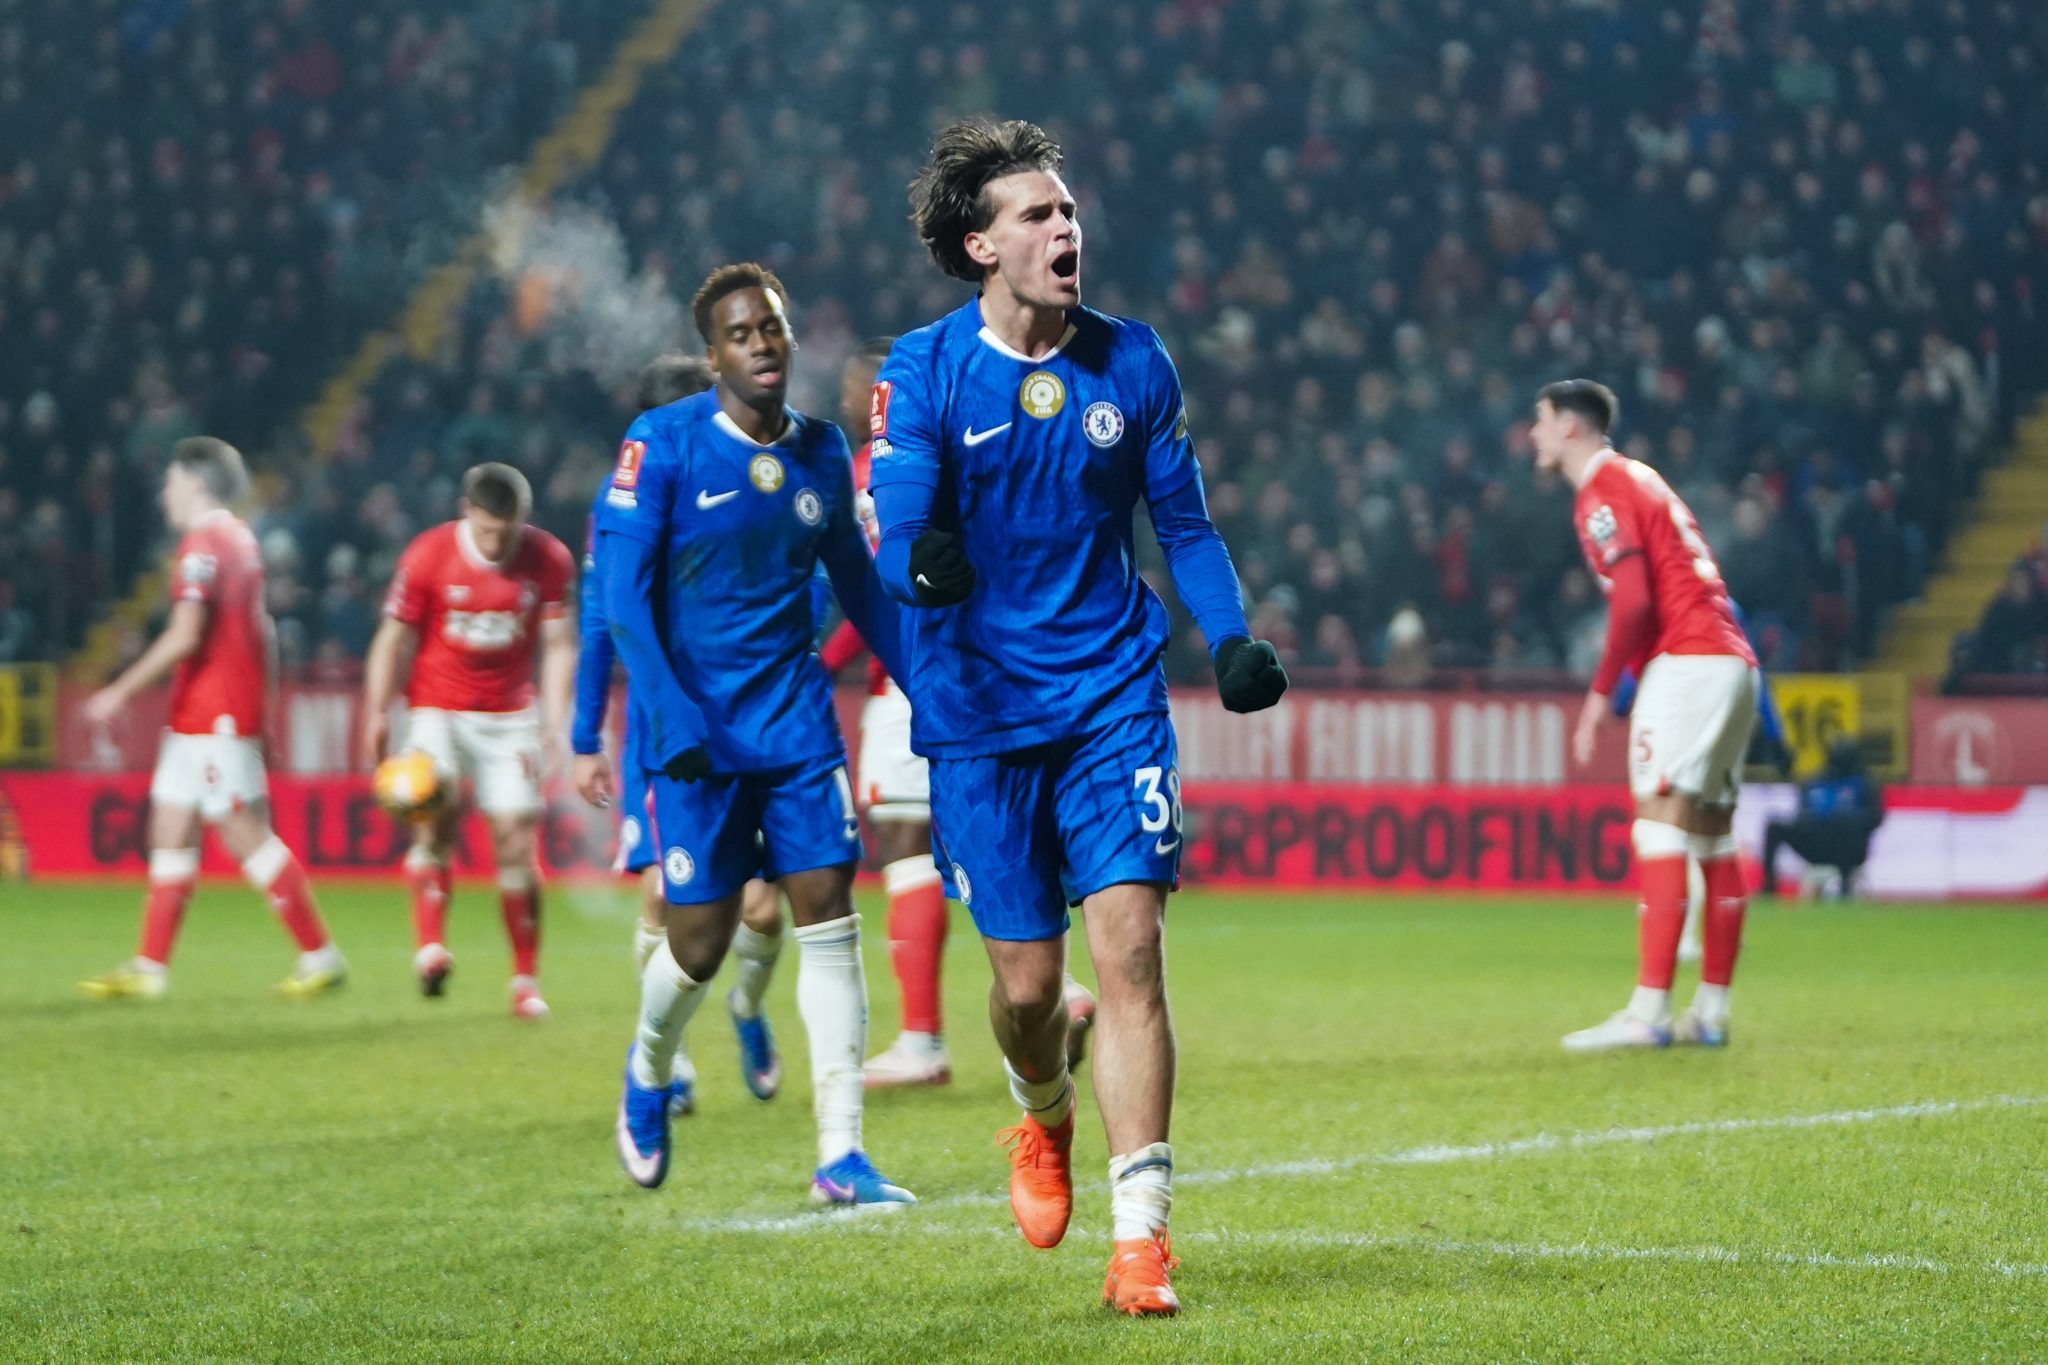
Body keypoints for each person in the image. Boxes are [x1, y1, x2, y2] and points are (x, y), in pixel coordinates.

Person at [870, 118, 1288, 1315]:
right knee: (1025, 994)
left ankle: (1140, 1241)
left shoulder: (1133, 359)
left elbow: (1184, 526)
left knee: (1132, 954)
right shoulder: (925, 368)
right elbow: (897, 514)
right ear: (980, 245)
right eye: (1037, 214)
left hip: (1110, 696)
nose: (1066, 228)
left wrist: (1228, 636)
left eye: (1068, 211)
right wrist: (921, 563)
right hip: (977, 713)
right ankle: (1040, 1110)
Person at [597, 262, 913, 1205]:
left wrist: (930, 689)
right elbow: (622, 602)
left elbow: (860, 588)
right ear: (713, 357)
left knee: (830, 917)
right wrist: (668, 714)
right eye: (741, 334)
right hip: (698, 737)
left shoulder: (820, 451)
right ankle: (648, 1066)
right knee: (697, 944)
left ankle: (841, 1155)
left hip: (797, 729)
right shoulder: (661, 445)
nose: (762, 344)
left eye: (771, 326)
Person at [818, 339, 1098, 1088]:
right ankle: (1062, 989)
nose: (847, 400)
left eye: (856, 387)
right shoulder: (962, 450)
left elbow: (876, 595)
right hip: (994, 675)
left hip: (915, 682)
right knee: (991, 841)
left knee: (907, 844)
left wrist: (826, 661)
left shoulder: (874, 470)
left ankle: (922, 1039)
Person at [573, 353, 783, 1111]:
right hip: (665, 733)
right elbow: (600, 618)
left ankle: (748, 1007)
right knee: (665, 895)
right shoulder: (623, 497)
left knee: (762, 909)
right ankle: (672, 1058)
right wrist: (583, 736)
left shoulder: (757, 479)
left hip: (754, 722)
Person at [1534, 379, 1760, 1052]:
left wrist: (1599, 693)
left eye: (1541, 420)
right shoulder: (1641, 478)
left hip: (1686, 663)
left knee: (1658, 828)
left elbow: (1633, 601)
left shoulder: (1601, 490)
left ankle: (1648, 1013)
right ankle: (1710, 1012)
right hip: (1732, 662)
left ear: (1570, 426)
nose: (1533, 434)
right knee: (1712, 836)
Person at [79, 438, 347, 1000]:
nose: (164, 494)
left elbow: (185, 634)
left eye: (172, 482)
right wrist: (262, 711)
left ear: (197, 484)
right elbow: (263, 631)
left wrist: (119, 691)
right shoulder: (241, 539)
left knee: (241, 830)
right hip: (206, 714)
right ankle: (150, 968)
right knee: (170, 826)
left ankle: (321, 956)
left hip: (214, 712)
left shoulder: (202, 545)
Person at [360, 463, 577, 1019]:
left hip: (511, 714)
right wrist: (377, 712)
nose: (495, 543)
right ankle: (431, 949)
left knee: (515, 842)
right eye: (485, 530)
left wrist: (556, 724)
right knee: (433, 818)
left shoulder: (549, 558)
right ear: (466, 513)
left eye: (506, 531)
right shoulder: (428, 555)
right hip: (437, 710)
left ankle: (524, 981)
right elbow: (392, 639)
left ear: (523, 520)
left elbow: (559, 645)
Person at [1760, 738, 1885, 897]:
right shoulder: (1815, 783)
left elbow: (1875, 818)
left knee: (1845, 823)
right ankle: (1769, 886)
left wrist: (1848, 821)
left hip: (1849, 846)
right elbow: (1802, 814)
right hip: (1816, 844)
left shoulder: (1865, 784)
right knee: (1774, 827)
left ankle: (1846, 885)